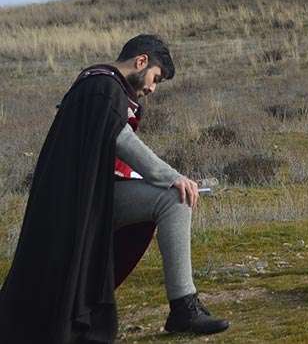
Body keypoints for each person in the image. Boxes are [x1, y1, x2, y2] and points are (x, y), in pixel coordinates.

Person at [0, 34, 229, 342]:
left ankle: (184, 308)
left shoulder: (99, 88)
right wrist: (173, 176)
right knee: (175, 195)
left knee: (174, 200)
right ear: (141, 61)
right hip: (80, 205)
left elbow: (106, 153)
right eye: (155, 78)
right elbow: (121, 139)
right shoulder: (101, 87)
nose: (151, 88)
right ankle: (184, 311)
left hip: (89, 198)